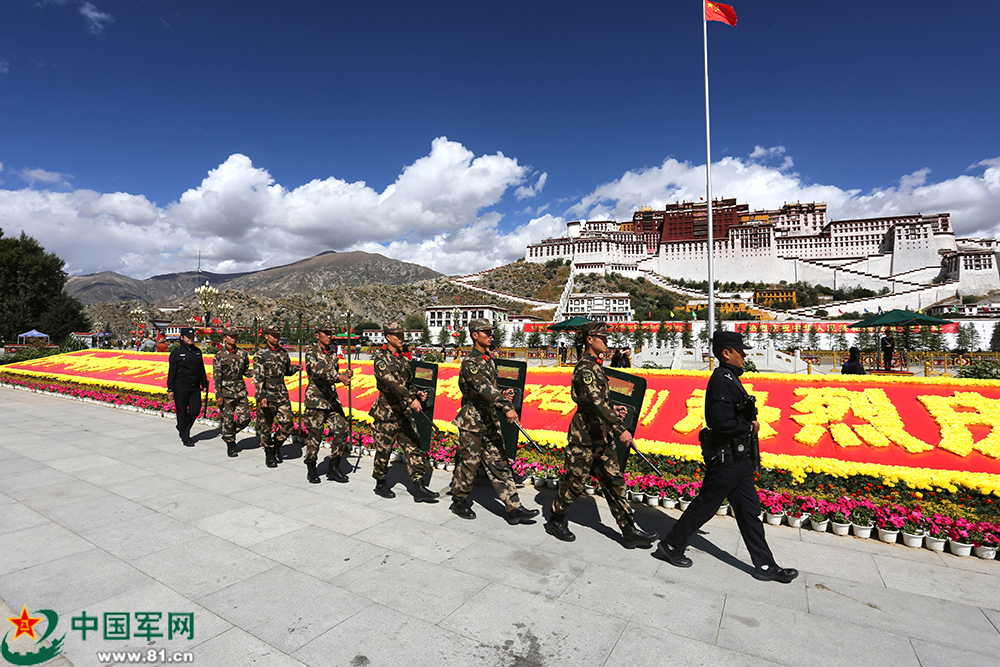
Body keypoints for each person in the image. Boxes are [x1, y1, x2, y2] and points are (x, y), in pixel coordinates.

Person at [654, 331, 798, 583]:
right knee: (705, 506)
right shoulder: (722, 379)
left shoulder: (730, 377)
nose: (744, 355)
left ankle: (765, 566)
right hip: (727, 458)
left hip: (738, 460)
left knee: (749, 511)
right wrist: (749, 428)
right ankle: (671, 545)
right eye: (740, 351)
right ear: (726, 353)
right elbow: (719, 421)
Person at [544, 321, 657, 548]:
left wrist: (613, 410)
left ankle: (628, 529)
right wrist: (620, 428)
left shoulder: (596, 366)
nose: (607, 342)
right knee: (574, 483)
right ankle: (556, 519)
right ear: (590, 340)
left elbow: (599, 402)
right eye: (602, 338)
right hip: (584, 437)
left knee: (614, 482)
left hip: (602, 436)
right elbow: (595, 403)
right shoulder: (585, 368)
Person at [449, 319, 540, 525]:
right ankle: (459, 501)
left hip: (489, 421)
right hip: (472, 422)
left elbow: (491, 388)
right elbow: (483, 388)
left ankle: (514, 508)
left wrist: (502, 394)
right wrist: (506, 406)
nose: (491, 336)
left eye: (491, 332)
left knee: (500, 464)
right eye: (486, 332)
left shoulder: (488, 359)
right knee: (468, 465)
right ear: (475, 335)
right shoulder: (470, 362)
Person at [370, 322, 438, 502]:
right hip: (387, 413)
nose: (401, 338)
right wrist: (411, 398)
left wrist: (417, 393)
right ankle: (380, 482)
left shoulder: (404, 359)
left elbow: (407, 384)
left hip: (404, 414)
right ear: (388, 337)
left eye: (402, 334)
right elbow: (391, 383)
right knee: (384, 450)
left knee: (413, 447)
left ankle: (419, 487)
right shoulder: (381, 360)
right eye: (397, 335)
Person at [303, 323, 353, 484]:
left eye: (330, 333)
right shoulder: (311, 353)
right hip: (315, 401)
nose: (329, 336)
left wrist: (344, 375)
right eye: (325, 333)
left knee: (341, 431)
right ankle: (311, 468)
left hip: (331, 400)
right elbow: (317, 371)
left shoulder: (333, 353)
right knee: (315, 436)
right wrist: (338, 377)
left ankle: (333, 467)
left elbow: (332, 375)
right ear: (317, 335)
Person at [253, 326, 300, 468]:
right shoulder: (260, 354)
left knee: (288, 424)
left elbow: (286, 371)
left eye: (278, 335)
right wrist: (262, 396)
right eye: (273, 335)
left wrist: (295, 369)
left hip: (281, 392)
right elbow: (258, 377)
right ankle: (269, 453)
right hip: (266, 392)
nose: (276, 337)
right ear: (266, 336)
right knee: (266, 425)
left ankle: (276, 445)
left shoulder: (283, 353)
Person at [166, 327, 208, 448]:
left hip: (195, 387)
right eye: (188, 337)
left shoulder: (197, 352)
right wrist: (170, 389)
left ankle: (182, 427)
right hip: (181, 387)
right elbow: (172, 372)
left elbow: (201, 369)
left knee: (195, 410)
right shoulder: (176, 353)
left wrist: (204, 383)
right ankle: (186, 436)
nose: (191, 339)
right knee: (181, 412)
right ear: (182, 338)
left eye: (192, 337)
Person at [214, 329, 253, 458]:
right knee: (228, 419)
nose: (233, 338)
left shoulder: (242, 354)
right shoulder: (219, 356)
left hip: (240, 390)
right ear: (225, 338)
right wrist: (218, 395)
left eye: (235, 336)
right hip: (226, 391)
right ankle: (230, 445)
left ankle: (229, 433)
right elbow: (217, 377)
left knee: (245, 418)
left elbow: (246, 372)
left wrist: (258, 371)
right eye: (231, 336)